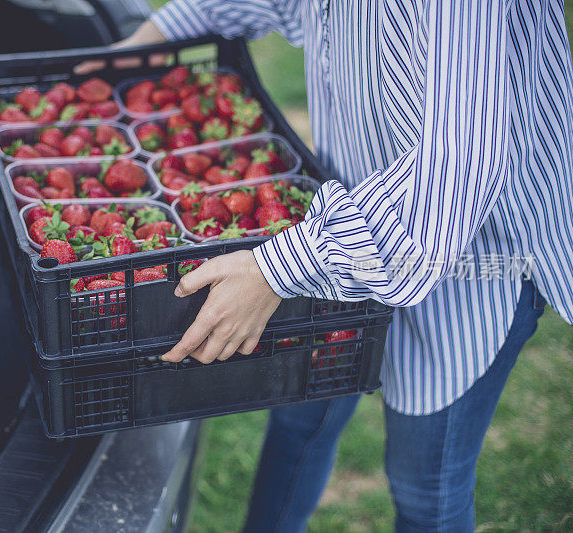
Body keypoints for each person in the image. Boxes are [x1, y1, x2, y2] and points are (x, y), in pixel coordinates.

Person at [107, 1, 573, 532]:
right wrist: (142, 42)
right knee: (299, 418)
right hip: (340, 223)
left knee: (425, 487)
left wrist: (276, 269)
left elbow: (458, 163)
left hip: (475, 261)